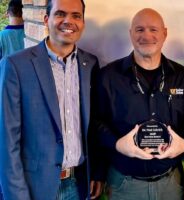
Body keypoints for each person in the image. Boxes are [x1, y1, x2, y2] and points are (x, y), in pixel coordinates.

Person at [90, 8, 184, 200]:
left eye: (153, 29)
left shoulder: (183, 77)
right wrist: (117, 144)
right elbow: (96, 123)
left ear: (164, 33)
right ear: (130, 34)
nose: (146, 35)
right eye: (139, 30)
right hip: (124, 184)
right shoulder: (108, 77)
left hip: (171, 183)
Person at [0, 0, 101, 199]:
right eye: (60, 14)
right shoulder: (16, 66)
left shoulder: (90, 64)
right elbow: (6, 141)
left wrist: (96, 171)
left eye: (76, 16)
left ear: (82, 23)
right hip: (35, 188)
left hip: (78, 185)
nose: (68, 21)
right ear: (46, 19)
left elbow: (93, 125)